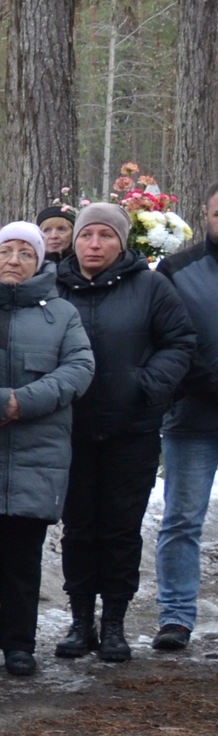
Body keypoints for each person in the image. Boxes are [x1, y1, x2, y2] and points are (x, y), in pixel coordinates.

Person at [54, 199, 198, 662]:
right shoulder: (54, 286)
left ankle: (114, 621)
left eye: (106, 236)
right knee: (78, 529)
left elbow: (180, 342)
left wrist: (147, 385)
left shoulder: (152, 287)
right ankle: (80, 622)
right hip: (70, 428)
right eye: (86, 236)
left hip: (131, 429)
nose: (95, 244)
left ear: (121, 241)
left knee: (120, 530)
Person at [0, 223, 95, 676]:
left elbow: (79, 367)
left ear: (40, 261)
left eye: (25, 253)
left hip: (38, 453)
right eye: (5, 251)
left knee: (23, 556)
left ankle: (19, 643)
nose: (14, 260)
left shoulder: (61, 313)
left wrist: (20, 403)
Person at [150, 184, 218, 650]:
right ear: (207, 214)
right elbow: (166, 339)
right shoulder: (177, 271)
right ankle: (175, 616)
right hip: (193, 415)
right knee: (181, 519)